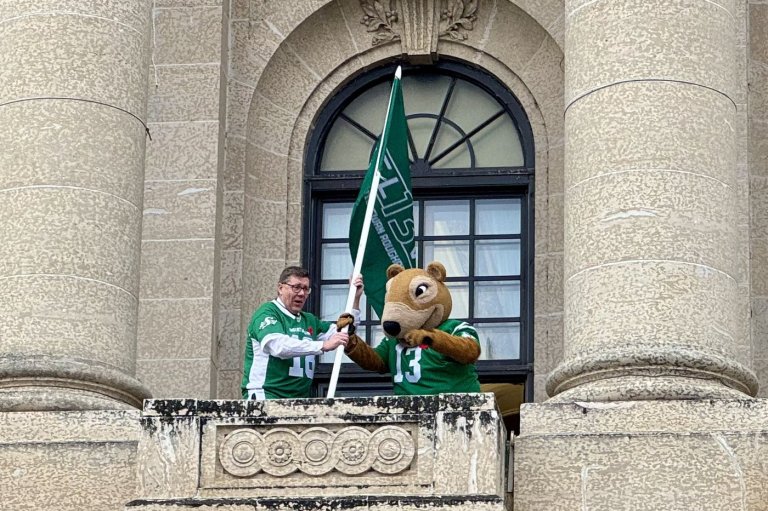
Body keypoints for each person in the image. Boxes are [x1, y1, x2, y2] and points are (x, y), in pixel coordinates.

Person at [241, 266, 363, 400]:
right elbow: (278, 346)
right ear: (280, 288)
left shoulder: (309, 320)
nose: (301, 293)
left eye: (305, 289)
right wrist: (322, 345)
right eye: (296, 287)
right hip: (266, 396)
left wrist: (355, 299)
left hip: (299, 401)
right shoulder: (267, 313)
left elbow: (344, 331)